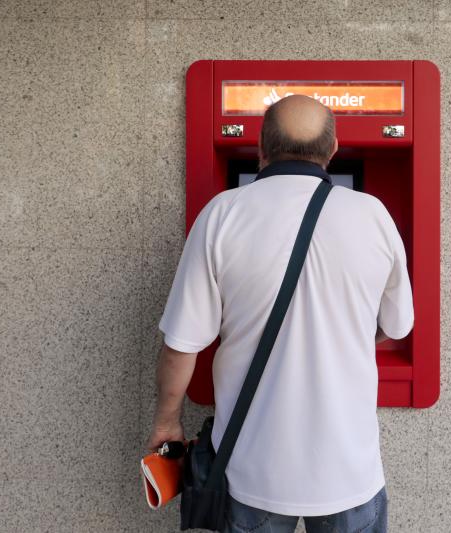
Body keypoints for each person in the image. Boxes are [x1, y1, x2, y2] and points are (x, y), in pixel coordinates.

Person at [146, 94, 414, 532]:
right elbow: (396, 326)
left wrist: (166, 422)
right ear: (332, 150)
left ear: (260, 148)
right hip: (350, 471)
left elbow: (181, 346)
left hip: (252, 472)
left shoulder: (222, 214)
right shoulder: (374, 215)